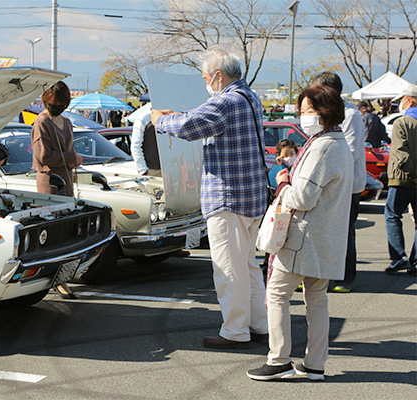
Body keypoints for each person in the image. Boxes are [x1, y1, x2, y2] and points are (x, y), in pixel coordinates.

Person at [151, 46, 268, 349]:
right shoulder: (248, 96)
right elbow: (199, 118)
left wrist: (158, 120)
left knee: (229, 269)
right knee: (248, 267)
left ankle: (235, 331)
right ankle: (258, 324)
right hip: (251, 197)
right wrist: (177, 115)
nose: (205, 82)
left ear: (217, 76)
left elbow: (190, 126)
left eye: (205, 76)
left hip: (228, 198)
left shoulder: (225, 102)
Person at [247, 85, 353, 381]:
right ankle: (315, 364)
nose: (304, 117)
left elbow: (303, 198)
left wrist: (282, 182)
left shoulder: (321, 147)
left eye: (309, 111)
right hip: (326, 238)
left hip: (303, 238)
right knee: (317, 299)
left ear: (325, 112)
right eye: (302, 111)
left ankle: (279, 359)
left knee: (278, 294)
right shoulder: (340, 143)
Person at [308, 72, 365, 293]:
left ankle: (345, 277)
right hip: (325, 182)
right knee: (324, 230)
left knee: (345, 230)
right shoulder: (324, 113)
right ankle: (323, 272)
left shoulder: (350, 115)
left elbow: (347, 154)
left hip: (347, 185)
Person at [31, 81, 83, 300]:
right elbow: (43, 156)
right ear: (45, 100)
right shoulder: (41, 121)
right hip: (50, 182)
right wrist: (73, 158)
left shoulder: (67, 122)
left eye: (62, 104)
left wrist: (72, 161)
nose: (58, 107)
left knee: (67, 233)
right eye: (54, 103)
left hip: (67, 182)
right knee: (53, 234)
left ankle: (61, 277)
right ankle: (55, 280)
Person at [384, 85, 417, 276]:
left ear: (409, 100)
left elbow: (400, 154)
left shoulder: (402, 122)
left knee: (392, 215)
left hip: (402, 178)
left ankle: (399, 258)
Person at [131, 103, 161, 177]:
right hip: (151, 171)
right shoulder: (144, 117)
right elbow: (135, 145)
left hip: (169, 169)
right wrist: (143, 170)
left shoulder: (170, 115)